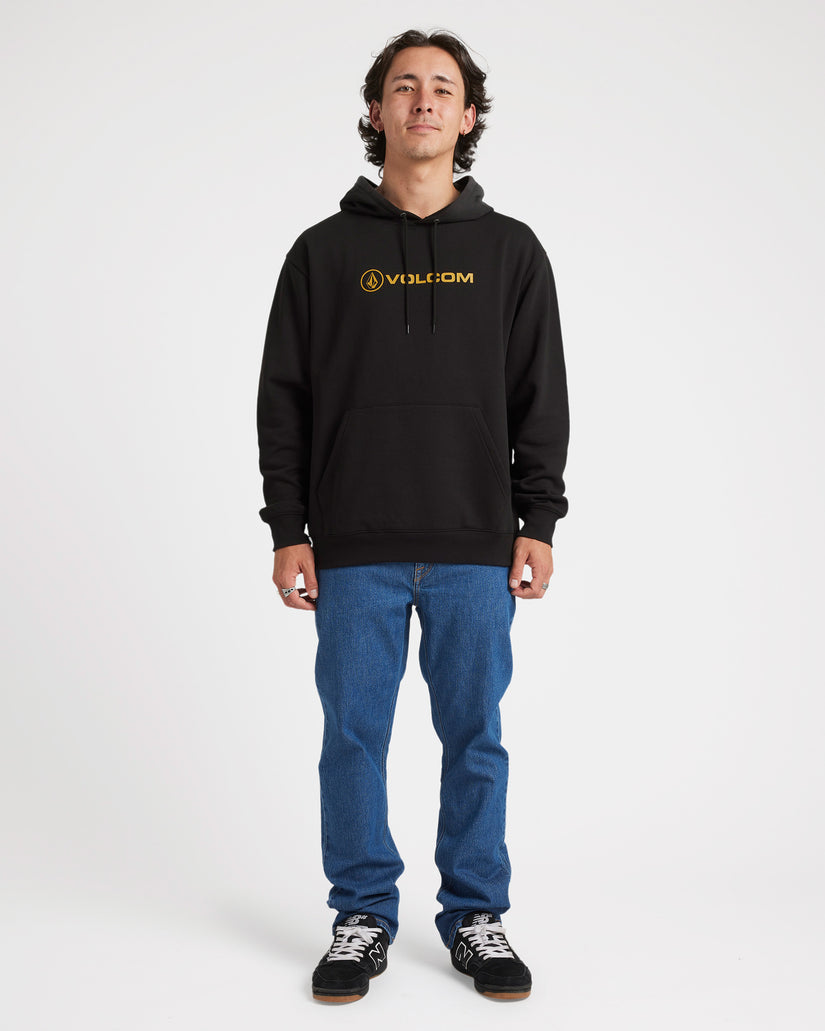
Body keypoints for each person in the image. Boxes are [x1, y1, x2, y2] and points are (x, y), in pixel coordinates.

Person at [256, 28, 569, 1004]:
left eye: (442, 87)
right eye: (403, 86)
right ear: (376, 110)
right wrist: (288, 527)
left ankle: (475, 912)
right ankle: (361, 913)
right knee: (353, 737)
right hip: (354, 543)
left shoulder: (511, 251)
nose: (423, 101)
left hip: (476, 539)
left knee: (475, 734)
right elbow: (283, 398)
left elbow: (539, 395)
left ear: (468, 116)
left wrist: (538, 518)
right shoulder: (322, 252)